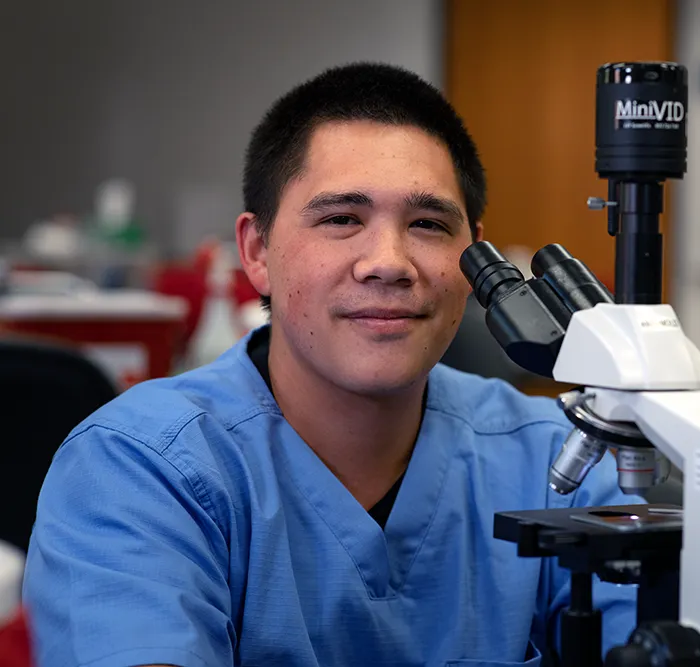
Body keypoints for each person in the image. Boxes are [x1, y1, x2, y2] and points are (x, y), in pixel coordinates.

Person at [23, 62, 640, 667]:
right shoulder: (139, 471)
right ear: (257, 251)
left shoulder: (561, 464)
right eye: (342, 219)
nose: (389, 262)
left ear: (475, 259)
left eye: (428, 224)